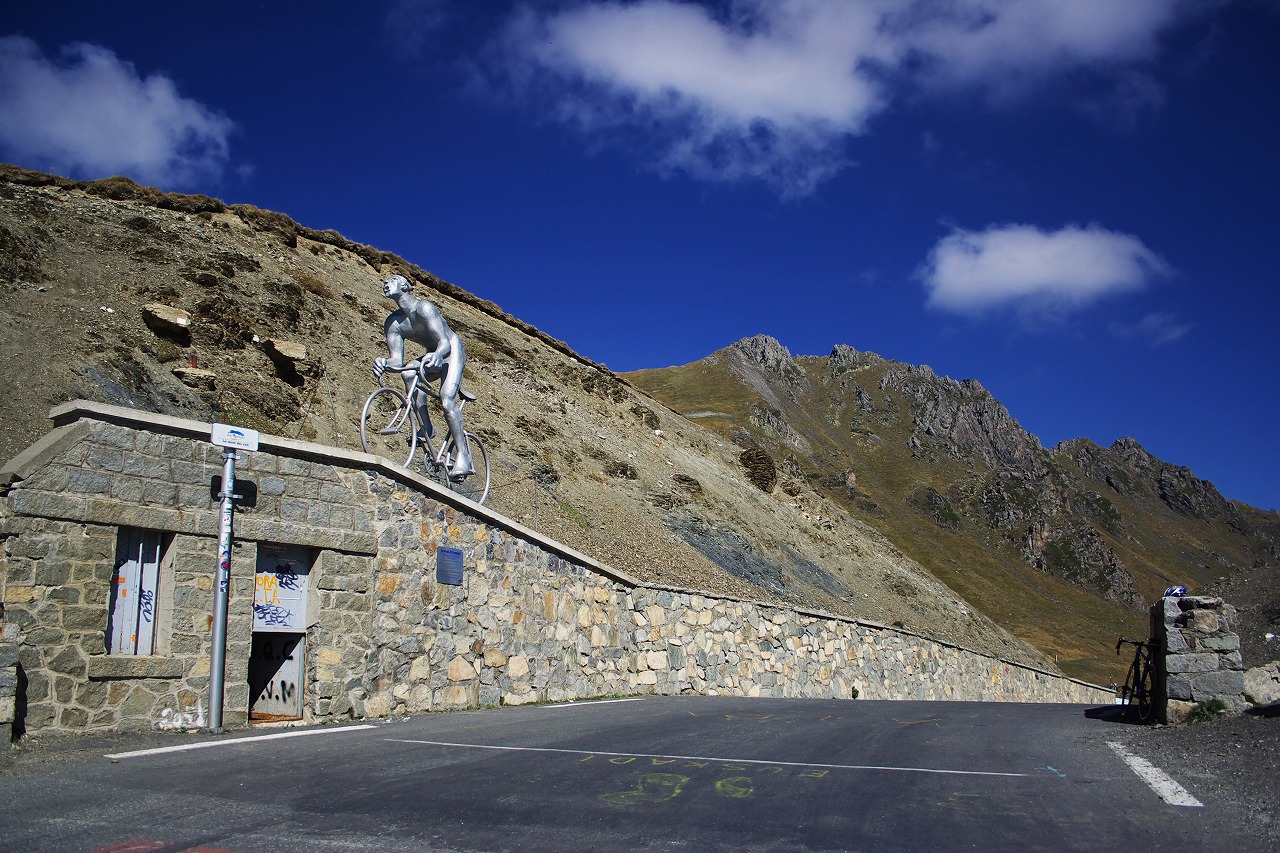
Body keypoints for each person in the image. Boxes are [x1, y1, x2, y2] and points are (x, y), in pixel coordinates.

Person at [372, 274, 473, 478]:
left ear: (405, 285)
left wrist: (437, 354)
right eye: (385, 281)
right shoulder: (393, 323)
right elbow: (396, 363)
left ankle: (464, 455)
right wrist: (383, 362)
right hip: (432, 355)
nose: (386, 283)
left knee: (446, 401)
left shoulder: (424, 308)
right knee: (409, 373)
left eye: (391, 280)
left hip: (450, 350)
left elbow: (443, 342)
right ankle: (427, 426)